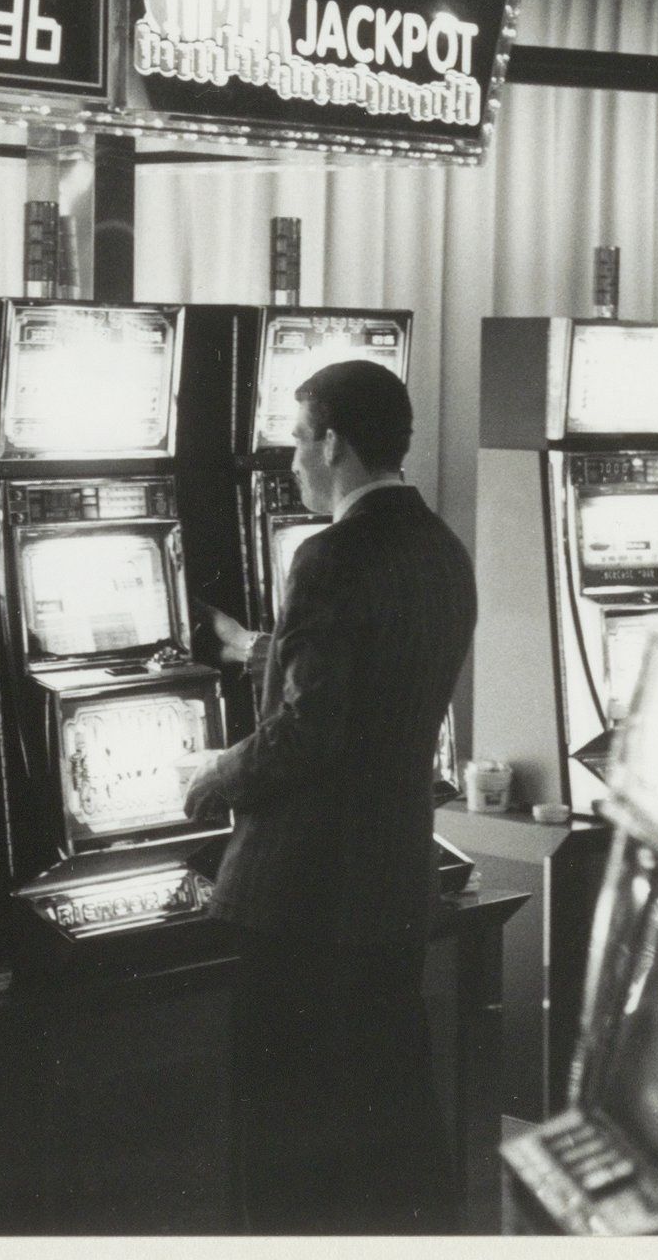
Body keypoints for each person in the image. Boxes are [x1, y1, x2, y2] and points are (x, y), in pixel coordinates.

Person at [182, 359, 477, 1234]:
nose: (291, 464)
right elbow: (379, 668)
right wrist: (267, 652)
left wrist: (215, 774)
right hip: (393, 879)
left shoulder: (329, 555)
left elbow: (311, 736)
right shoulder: (439, 546)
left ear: (335, 443)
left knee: (290, 1143)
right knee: (386, 1121)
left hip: (302, 892)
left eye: (297, 441)